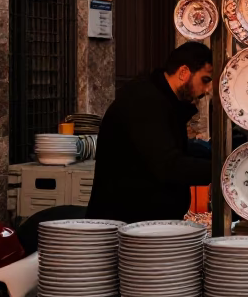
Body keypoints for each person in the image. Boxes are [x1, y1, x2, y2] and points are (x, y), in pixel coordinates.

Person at [88, 41, 214, 224]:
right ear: (184, 73)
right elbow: (168, 165)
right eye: (205, 80)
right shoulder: (145, 102)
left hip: (148, 225)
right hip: (127, 226)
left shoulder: (163, 101)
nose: (208, 90)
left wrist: (218, 158)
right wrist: (222, 171)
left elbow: (173, 149)